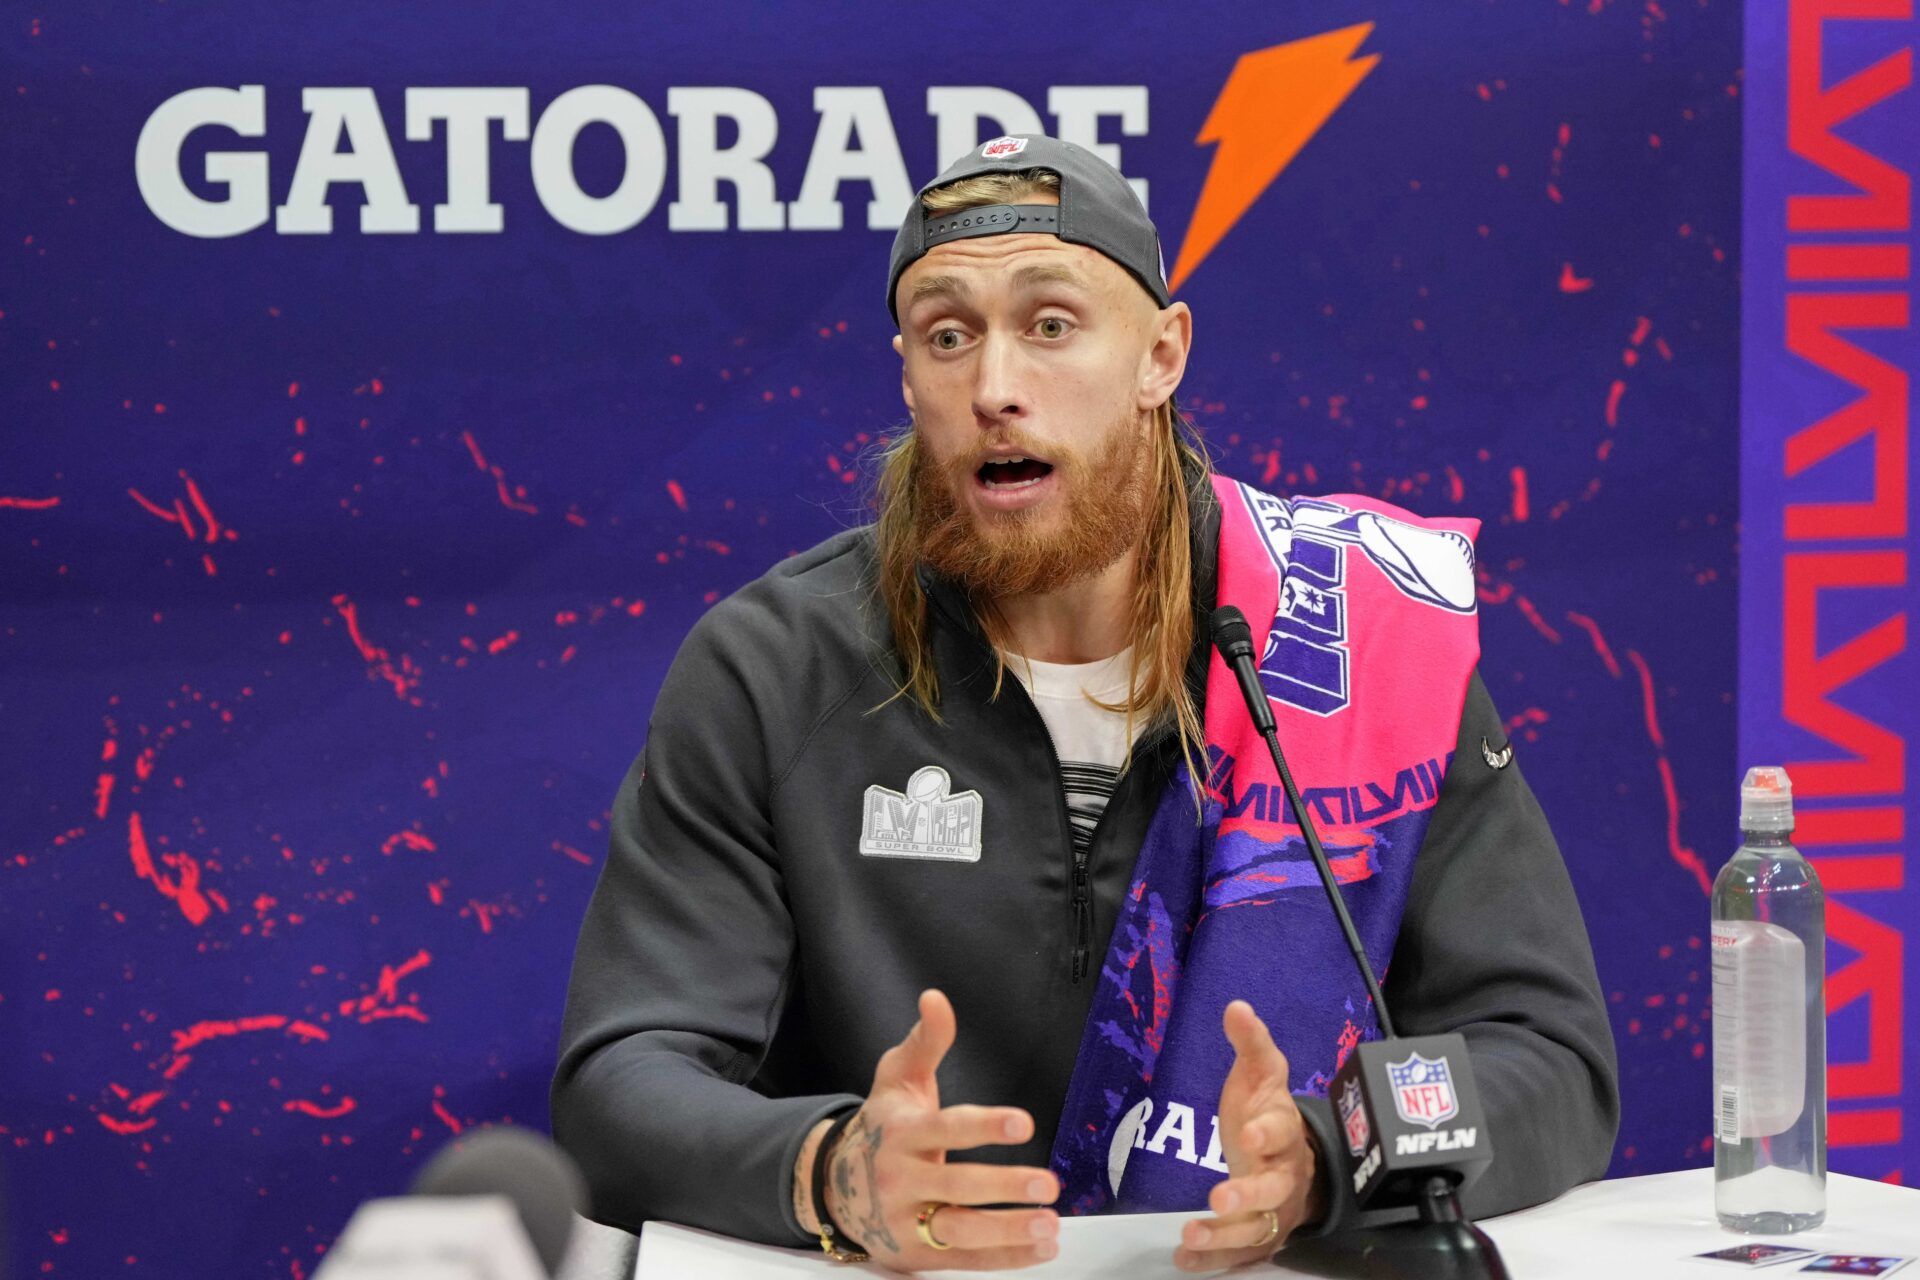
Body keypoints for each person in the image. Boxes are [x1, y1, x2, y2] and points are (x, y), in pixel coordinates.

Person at [551, 133, 1618, 1274]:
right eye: (948, 336)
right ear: (907, 374)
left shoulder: (1351, 640)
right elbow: (623, 1076)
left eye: (1050, 325)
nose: (995, 387)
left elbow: (1548, 1054)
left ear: (1161, 355)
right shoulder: (774, 665)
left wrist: (1326, 1154)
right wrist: (829, 1168)